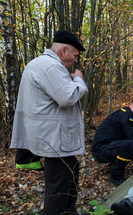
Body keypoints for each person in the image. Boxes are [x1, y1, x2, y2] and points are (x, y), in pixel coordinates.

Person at [10, 30, 88, 215]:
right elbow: (67, 97)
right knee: (58, 189)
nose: (76, 60)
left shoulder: (41, 64)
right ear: (63, 51)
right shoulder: (49, 66)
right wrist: (78, 79)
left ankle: (68, 212)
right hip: (54, 140)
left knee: (70, 172)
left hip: (52, 137)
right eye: (75, 55)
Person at [92, 96, 133, 186]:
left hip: (109, 148)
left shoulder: (126, 115)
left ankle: (112, 167)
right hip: (100, 151)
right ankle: (116, 177)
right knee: (131, 145)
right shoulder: (125, 115)